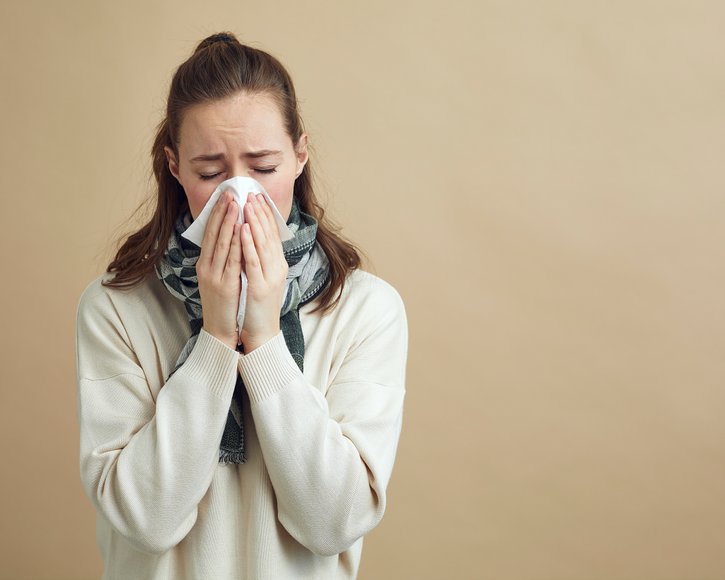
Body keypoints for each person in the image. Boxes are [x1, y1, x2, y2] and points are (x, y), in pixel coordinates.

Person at [75, 32, 407, 580]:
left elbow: (334, 523)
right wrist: (214, 336)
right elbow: (144, 520)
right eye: (210, 173)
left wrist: (265, 338)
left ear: (300, 156)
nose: (238, 195)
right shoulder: (115, 308)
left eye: (264, 167)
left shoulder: (365, 310)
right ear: (175, 168)